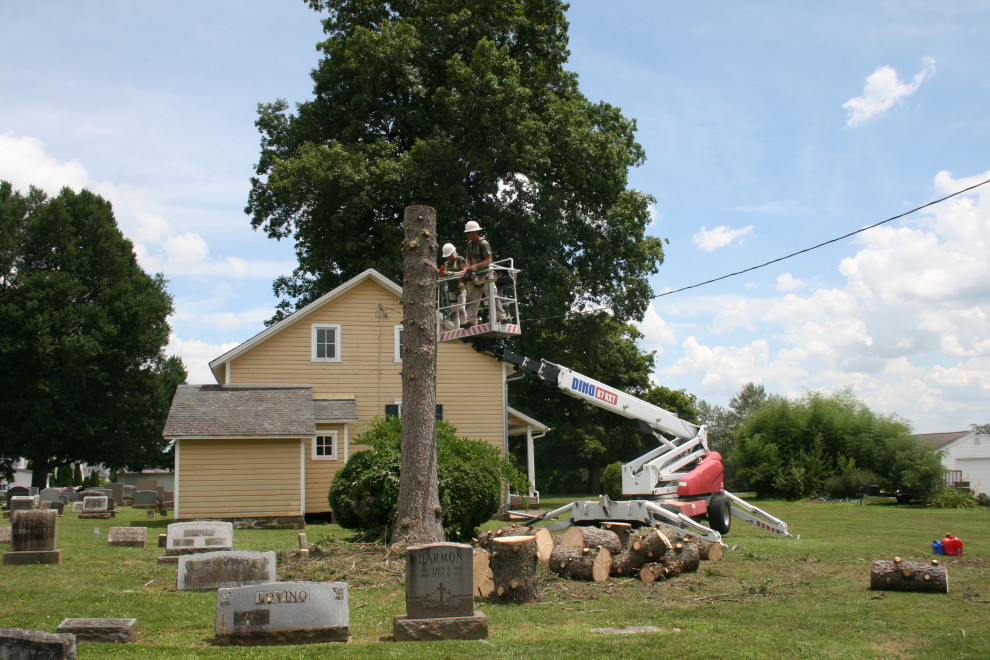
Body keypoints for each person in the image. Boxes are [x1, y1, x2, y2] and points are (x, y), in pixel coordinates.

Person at [460, 220, 507, 326]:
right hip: (475, 276)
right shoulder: (470, 244)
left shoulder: (483, 243)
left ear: (475, 232)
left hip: (486, 274)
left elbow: (488, 260)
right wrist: (468, 268)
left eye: (469, 233)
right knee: (472, 298)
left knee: (492, 296)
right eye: (466, 233)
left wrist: (476, 266)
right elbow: (467, 258)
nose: (467, 235)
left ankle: (502, 317)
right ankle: (471, 321)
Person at [438, 242, 467, 328]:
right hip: (451, 290)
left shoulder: (460, 260)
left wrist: (452, 273)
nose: (449, 257)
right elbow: (442, 275)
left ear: (454, 252)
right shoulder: (446, 264)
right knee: (454, 311)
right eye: (447, 256)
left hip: (460, 288)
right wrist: (441, 273)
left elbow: (465, 271)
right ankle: (456, 328)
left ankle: (464, 324)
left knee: (461, 308)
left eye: (450, 255)